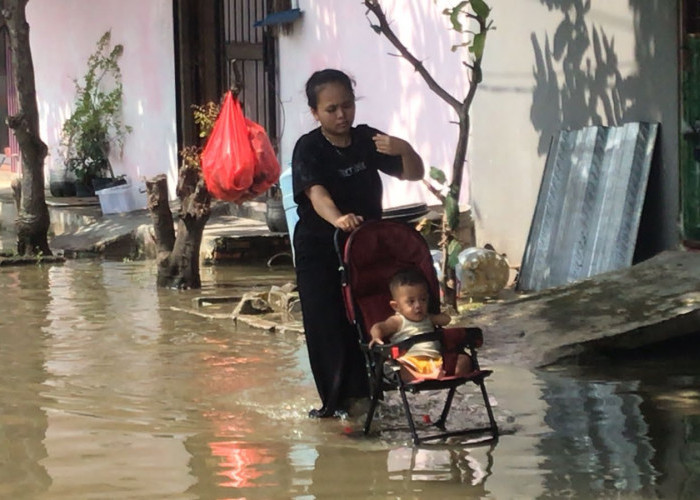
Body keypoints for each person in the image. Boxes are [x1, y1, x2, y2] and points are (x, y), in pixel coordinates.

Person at [291, 68, 425, 418]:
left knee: (368, 316)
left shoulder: (367, 138)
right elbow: (316, 194)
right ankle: (338, 404)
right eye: (331, 109)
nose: (341, 116)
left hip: (364, 248)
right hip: (320, 248)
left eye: (347, 106)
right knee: (329, 325)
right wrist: (337, 218)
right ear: (315, 112)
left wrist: (405, 148)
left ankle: (372, 394)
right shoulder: (309, 147)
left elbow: (414, 173)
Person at [369, 268, 473, 382]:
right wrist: (376, 337)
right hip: (410, 363)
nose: (418, 305)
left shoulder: (428, 318)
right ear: (396, 306)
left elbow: (446, 320)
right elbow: (378, 327)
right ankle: (424, 376)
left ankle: (434, 375)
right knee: (391, 368)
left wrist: (439, 314)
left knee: (464, 360)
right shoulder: (397, 321)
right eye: (411, 301)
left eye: (423, 299)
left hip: (436, 362)